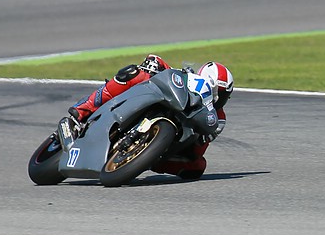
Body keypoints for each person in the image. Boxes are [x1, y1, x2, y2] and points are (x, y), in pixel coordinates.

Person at [66, 54, 234, 181]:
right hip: (156, 98)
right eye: (219, 92)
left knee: (197, 168)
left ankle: (146, 158)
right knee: (133, 73)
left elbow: (199, 149)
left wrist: (202, 137)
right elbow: (160, 63)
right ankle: (83, 109)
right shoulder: (186, 77)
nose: (221, 98)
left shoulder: (218, 118)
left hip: (174, 141)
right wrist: (153, 63)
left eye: (225, 95)